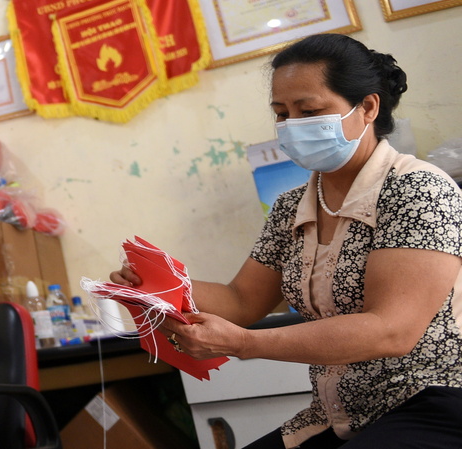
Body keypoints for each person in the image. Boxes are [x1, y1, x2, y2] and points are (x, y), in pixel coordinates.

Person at [111, 33, 462, 448]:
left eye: (309, 111)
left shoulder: (417, 190)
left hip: (433, 402)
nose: (292, 125)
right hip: (342, 413)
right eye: (281, 113)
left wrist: (244, 343)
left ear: (368, 107)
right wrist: (159, 284)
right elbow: (242, 300)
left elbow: (391, 331)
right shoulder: (291, 206)